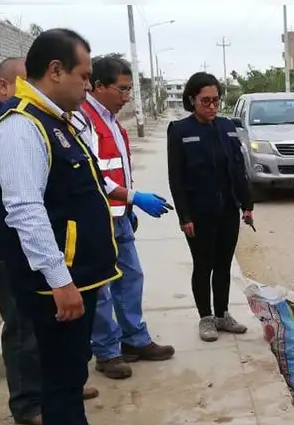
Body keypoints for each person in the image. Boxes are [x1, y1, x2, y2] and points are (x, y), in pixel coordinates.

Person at [0, 28, 132, 425]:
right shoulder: (21, 128)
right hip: (58, 284)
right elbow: (25, 210)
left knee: (71, 371)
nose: (88, 86)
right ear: (55, 71)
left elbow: (87, 185)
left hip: (82, 277)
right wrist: (60, 280)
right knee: (59, 372)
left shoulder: (59, 122)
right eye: (84, 76)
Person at [0, 57, 99, 425]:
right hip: (10, 250)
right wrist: (18, 246)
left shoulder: (48, 121)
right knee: (23, 329)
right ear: (4, 86)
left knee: (51, 343)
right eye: (25, 83)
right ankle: (28, 402)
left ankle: (59, 400)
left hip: (36, 250)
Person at [72, 56, 175, 380]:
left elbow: (118, 169)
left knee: (130, 278)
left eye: (130, 89)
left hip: (119, 217)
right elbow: (93, 177)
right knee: (100, 287)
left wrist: (128, 209)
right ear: (99, 86)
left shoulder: (112, 122)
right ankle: (107, 351)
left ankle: (134, 339)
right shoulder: (83, 121)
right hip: (95, 219)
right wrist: (134, 198)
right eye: (123, 89)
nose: (127, 95)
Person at [167, 72, 253, 342]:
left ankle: (222, 314)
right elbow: (176, 178)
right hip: (199, 214)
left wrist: (247, 204)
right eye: (206, 101)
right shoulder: (180, 131)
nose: (212, 106)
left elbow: (238, 170)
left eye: (216, 100)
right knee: (203, 265)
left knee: (224, 265)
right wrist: (185, 216)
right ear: (192, 100)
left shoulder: (227, 126)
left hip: (227, 210)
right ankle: (206, 318)